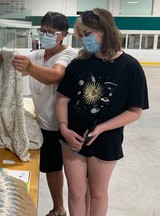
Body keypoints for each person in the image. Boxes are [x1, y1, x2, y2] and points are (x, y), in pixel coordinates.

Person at [56, 8, 149, 216]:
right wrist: (64, 128)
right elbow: (62, 99)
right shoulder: (78, 64)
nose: (83, 39)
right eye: (81, 35)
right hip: (73, 138)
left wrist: (101, 128)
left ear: (105, 31)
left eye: (87, 33)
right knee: (75, 193)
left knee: (98, 193)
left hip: (106, 139)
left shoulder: (130, 67)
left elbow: (135, 111)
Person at [0, 11, 77, 216]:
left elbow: (56, 76)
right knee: (51, 167)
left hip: (63, 124)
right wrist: (2, 59)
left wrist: (30, 68)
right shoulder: (37, 55)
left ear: (63, 34)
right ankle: (58, 208)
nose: (45, 35)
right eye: (43, 31)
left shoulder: (68, 55)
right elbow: (17, 70)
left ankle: (67, 209)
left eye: (51, 32)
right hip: (43, 123)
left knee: (72, 173)